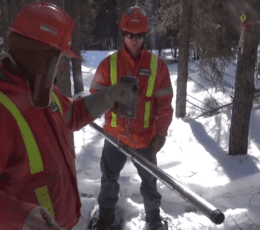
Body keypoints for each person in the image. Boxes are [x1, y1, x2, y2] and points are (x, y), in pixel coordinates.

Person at [0, 2, 138, 230]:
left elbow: (73, 114)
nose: (61, 69)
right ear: (41, 59)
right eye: (58, 60)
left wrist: (110, 96)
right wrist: (22, 217)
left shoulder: (42, 93)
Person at [89, 6, 173, 230]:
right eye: (129, 35)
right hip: (114, 137)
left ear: (145, 36)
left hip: (146, 139)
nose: (134, 40)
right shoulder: (108, 65)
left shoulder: (158, 67)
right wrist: (111, 101)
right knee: (108, 180)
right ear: (122, 34)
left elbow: (165, 106)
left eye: (139, 35)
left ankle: (154, 217)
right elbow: (93, 99)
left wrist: (161, 134)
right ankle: (105, 216)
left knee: (150, 182)